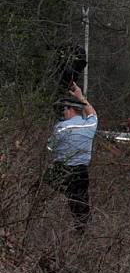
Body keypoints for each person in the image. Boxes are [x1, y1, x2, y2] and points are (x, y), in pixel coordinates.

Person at [48, 84, 98, 232]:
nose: (62, 112)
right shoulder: (89, 126)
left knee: (47, 189)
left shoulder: (61, 127)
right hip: (81, 172)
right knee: (81, 202)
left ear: (71, 110)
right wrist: (80, 97)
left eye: (64, 109)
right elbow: (93, 114)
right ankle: (82, 230)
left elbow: (50, 148)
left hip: (62, 170)